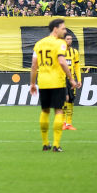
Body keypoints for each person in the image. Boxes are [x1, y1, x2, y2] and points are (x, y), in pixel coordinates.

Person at [30, 18, 77, 152]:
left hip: (43, 82)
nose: (65, 31)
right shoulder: (60, 44)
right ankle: (56, 145)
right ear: (55, 29)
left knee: (45, 110)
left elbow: (34, 65)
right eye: (63, 28)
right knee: (58, 111)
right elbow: (62, 62)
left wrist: (32, 83)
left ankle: (45, 143)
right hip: (57, 82)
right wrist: (71, 79)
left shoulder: (39, 44)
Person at [62, 33, 82, 130]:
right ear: (64, 40)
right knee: (63, 101)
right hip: (61, 79)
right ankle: (63, 123)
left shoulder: (75, 52)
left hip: (71, 80)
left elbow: (77, 67)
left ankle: (69, 124)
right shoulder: (59, 51)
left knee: (70, 101)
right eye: (68, 39)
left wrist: (79, 79)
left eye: (71, 39)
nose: (70, 40)